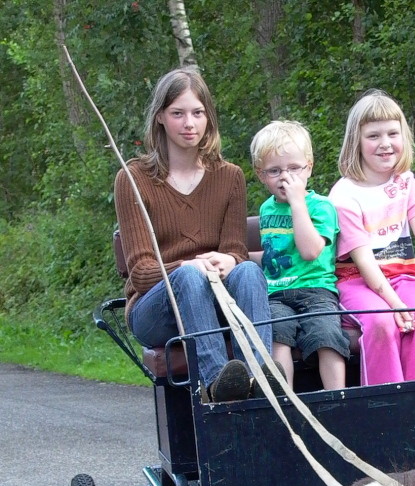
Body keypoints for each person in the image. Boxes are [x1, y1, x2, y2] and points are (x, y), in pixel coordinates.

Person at [114, 67, 274, 402]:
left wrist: (228, 259)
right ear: (160, 117)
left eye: (198, 113)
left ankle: (261, 376)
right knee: (188, 277)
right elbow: (142, 274)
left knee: (248, 271)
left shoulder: (229, 177)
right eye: (178, 114)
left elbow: (236, 250)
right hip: (156, 307)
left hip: (215, 299)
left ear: (208, 118)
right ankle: (216, 384)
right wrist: (192, 266)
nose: (190, 124)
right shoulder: (134, 178)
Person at [329, 90, 415, 386]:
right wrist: (394, 303)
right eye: (374, 136)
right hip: (359, 280)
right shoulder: (344, 195)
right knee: (382, 321)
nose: (385, 144)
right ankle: (386, 405)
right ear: (357, 141)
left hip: (404, 275)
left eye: (393, 133)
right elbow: (364, 261)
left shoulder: (404, 182)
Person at [250, 120, 349, 391]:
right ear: (261, 175)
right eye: (275, 170)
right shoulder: (267, 209)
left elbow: (309, 250)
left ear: (309, 167)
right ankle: (285, 402)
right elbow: (276, 255)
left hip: (316, 290)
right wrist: (242, 257)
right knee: (277, 335)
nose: (285, 177)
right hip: (276, 293)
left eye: (294, 168)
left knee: (326, 334)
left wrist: (297, 203)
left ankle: (336, 398)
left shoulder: (321, 206)